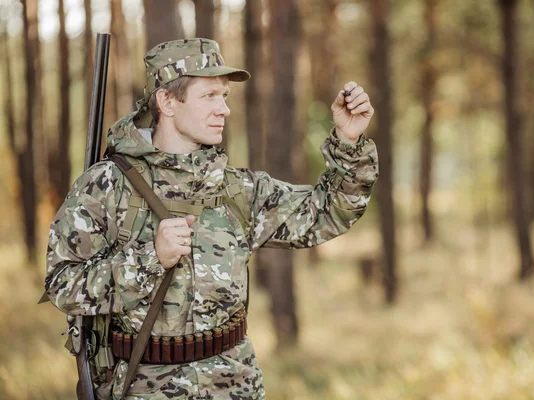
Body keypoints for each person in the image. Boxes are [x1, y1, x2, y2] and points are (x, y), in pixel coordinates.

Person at [44, 38, 378, 399]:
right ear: (167, 101)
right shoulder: (108, 185)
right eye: (209, 97)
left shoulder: (236, 189)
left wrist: (348, 140)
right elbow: (63, 284)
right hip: (142, 389)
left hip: (236, 386)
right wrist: (149, 259)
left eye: (225, 97)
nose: (224, 110)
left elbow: (329, 211)